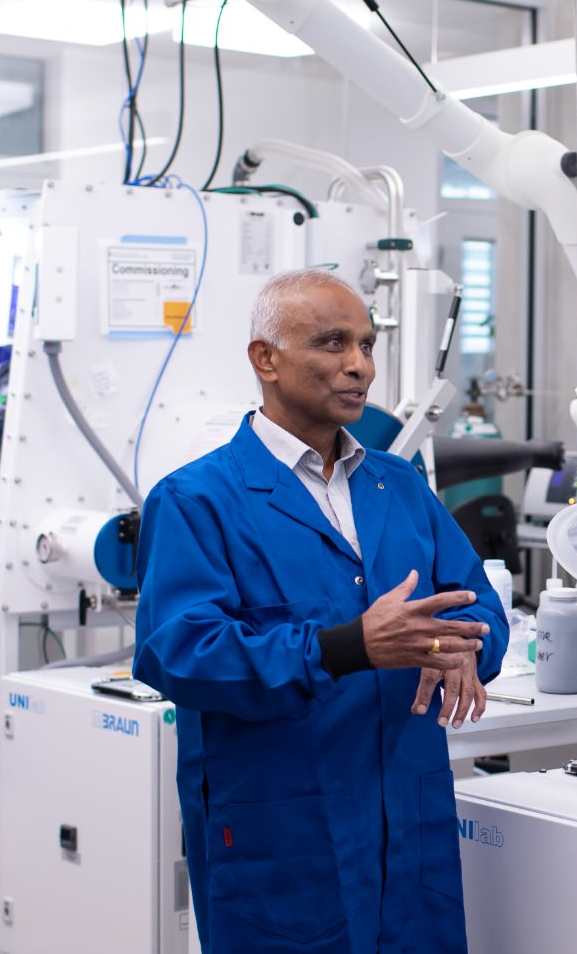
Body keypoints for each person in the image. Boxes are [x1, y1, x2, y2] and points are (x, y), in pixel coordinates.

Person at [133, 268, 508, 954]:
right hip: (284, 828)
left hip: (406, 815)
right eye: (333, 343)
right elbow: (178, 653)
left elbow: (476, 599)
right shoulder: (198, 500)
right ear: (265, 359)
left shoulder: (399, 484)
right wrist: (347, 647)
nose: (359, 365)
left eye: (367, 344)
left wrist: (465, 648)